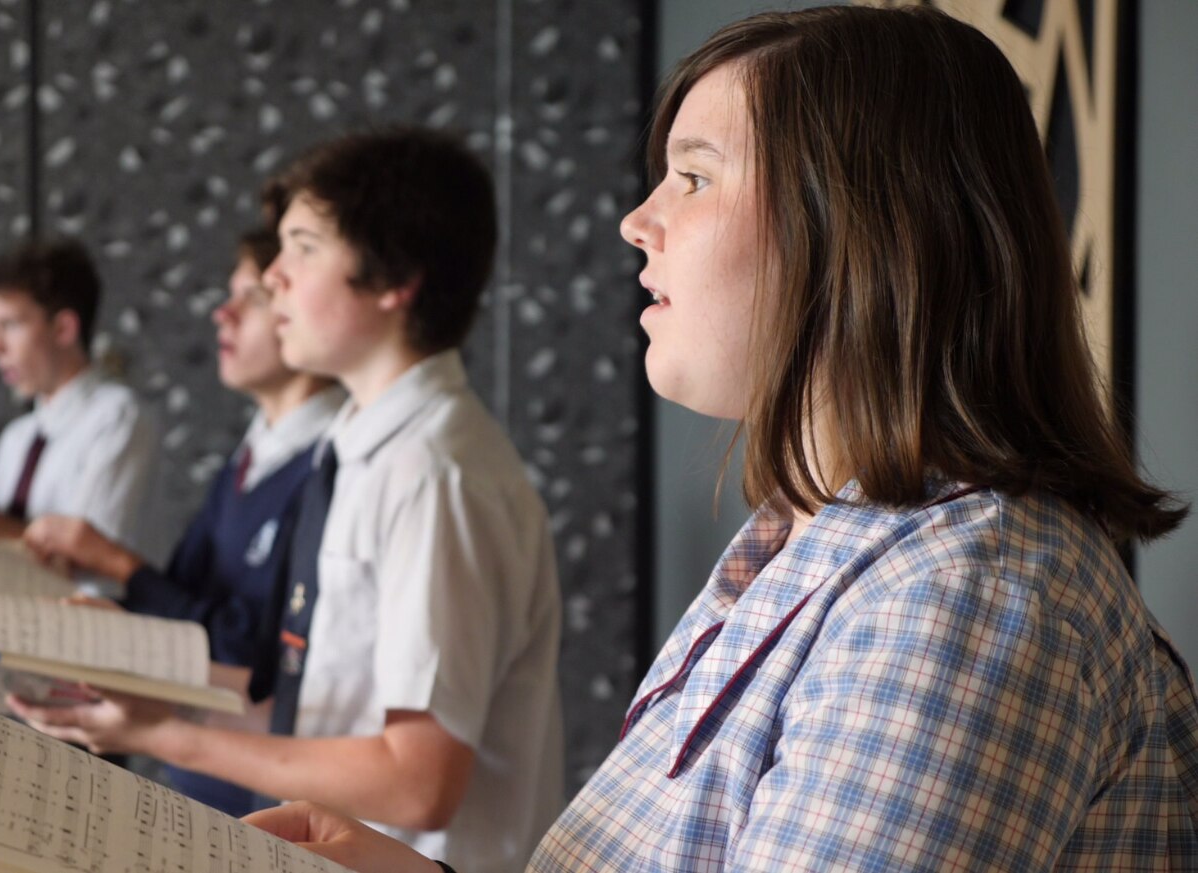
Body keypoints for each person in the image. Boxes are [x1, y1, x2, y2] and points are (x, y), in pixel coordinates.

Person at [242, 6, 1198, 871]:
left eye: (693, 176)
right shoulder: (818, 541)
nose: (636, 220)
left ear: (861, 229)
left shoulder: (962, 592)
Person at [10, 129, 566, 873]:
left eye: (302, 246)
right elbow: (308, 699)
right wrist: (137, 665)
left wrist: (160, 734)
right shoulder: (359, 446)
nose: (273, 277)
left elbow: (418, 779)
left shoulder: (435, 474)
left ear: (394, 279)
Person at [18, 226, 346, 816]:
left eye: (252, 297)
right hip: (204, 770)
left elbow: (251, 653)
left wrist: (116, 562)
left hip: (266, 786)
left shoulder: (329, 465)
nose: (222, 314)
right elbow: (186, 601)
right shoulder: (252, 454)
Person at [0, 238, 160, 554]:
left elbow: (86, 557)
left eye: (9, 325)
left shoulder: (118, 417)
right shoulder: (17, 438)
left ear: (63, 329)